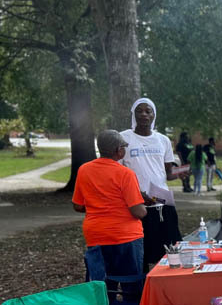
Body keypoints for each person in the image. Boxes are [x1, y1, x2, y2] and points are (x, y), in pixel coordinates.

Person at [72, 129, 147, 293]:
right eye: (124, 147)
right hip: (125, 237)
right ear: (119, 150)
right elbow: (138, 212)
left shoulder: (84, 170)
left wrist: (98, 205)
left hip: (96, 236)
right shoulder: (125, 174)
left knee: (102, 287)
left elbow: (78, 205)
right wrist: (144, 205)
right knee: (132, 286)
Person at [120, 98, 181, 271]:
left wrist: (181, 174)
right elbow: (117, 173)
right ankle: (142, 288)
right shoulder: (124, 138)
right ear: (133, 114)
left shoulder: (163, 140)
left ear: (154, 115)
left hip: (162, 202)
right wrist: (136, 193)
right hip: (137, 203)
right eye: (140, 111)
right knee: (142, 251)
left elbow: (169, 174)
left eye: (148, 111)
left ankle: (168, 285)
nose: (144, 115)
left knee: (170, 247)